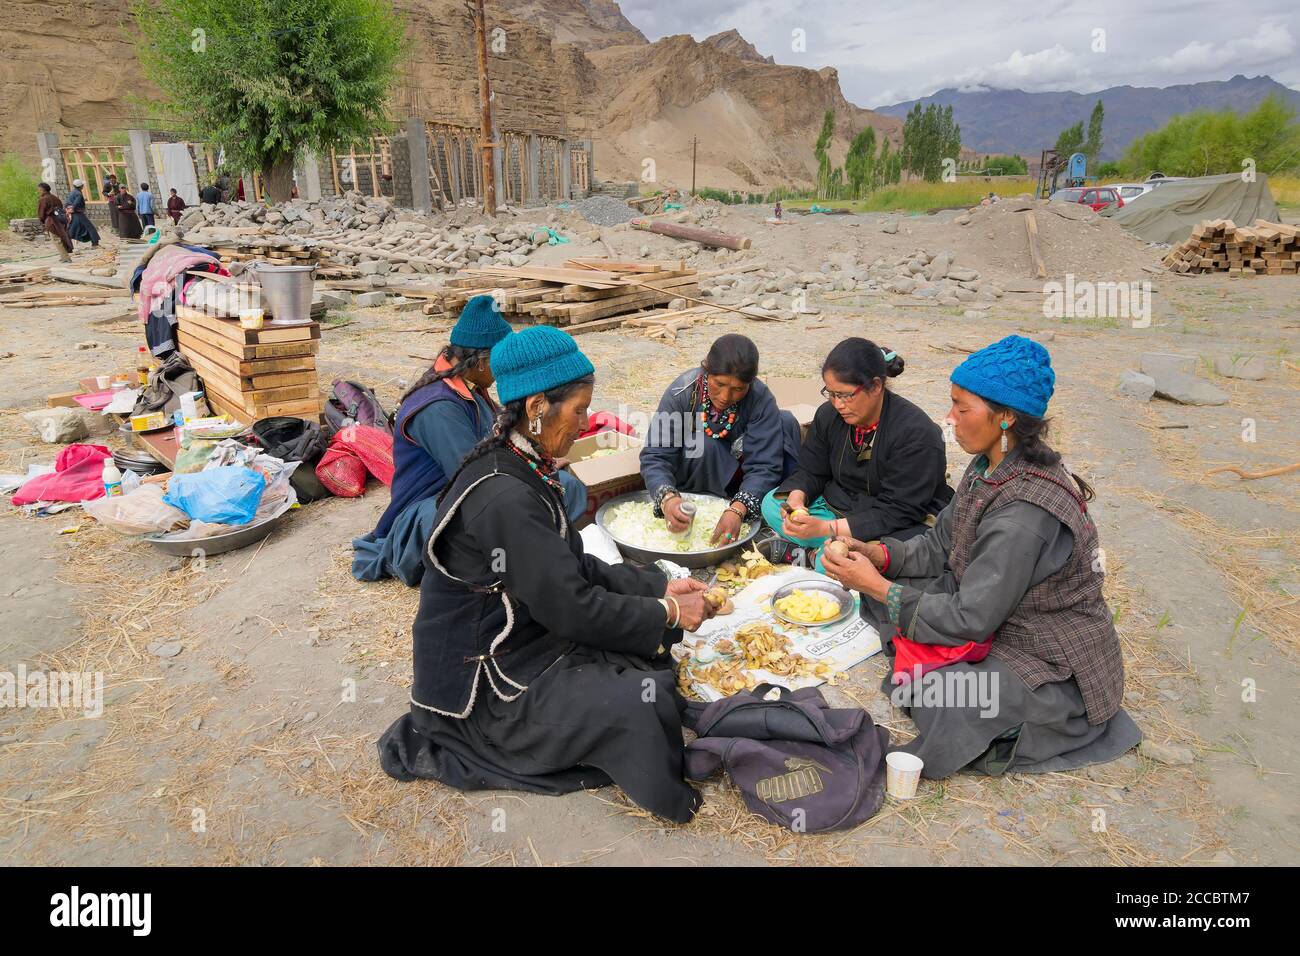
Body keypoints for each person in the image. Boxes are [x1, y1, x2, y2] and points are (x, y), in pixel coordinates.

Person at [378, 326, 714, 823]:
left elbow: (573, 567)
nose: (583, 423)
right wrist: (665, 611)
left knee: (645, 663)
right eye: (579, 410)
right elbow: (572, 606)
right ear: (537, 407)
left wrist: (658, 587)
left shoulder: (522, 463)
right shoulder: (504, 494)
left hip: (522, 636)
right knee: (636, 704)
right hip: (484, 682)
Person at [821, 335, 1141, 779]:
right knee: (889, 600)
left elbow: (971, 618)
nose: (949, 418)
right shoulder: (989, 464)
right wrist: (875, 555)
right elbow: (938, 547)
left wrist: (874, 583)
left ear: (1006, 417)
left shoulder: (1024, 514)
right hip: (995, 614)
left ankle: (1042, 722)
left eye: (961, 408)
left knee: (940, 699)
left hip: (1045, 654)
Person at [353, 296, 588, 584]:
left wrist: (542, 461)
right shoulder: (438, 407)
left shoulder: (473, 386)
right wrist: (529, 478)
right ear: (479, 362)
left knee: (567, 487)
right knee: (507, 506)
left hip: (477, 484)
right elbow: (472, 477)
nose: (503, 372)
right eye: (498, 363)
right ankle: (518, 556)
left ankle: (530, 546)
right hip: (434, 506)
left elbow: (501, 443)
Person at [765, 338, 952, 568]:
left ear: (875, 386)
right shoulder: (829, 415)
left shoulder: (916, 434)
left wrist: (828, 529)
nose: (837, 404)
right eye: (831, 393)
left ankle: (812, 555)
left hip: (896, 522)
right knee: (771, 503)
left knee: (850, 560)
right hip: (840, 506)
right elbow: (812, 470)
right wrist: (797, 499)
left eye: (845, 395)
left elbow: (897, 512)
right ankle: (819, 551)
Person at [640, 334, 801, 547]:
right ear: (706, 371)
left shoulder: (760, 398)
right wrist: (668, 499)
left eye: (738, 389)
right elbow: (655, 456)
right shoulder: (682, 392)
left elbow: (764, 465)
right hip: (699, 476)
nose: (725, 396)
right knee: (702, 444)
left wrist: (738, 508)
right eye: (719, 384)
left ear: (750, 384)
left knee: (785, 422)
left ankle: (765, 510)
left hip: (742, 478)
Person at [36, 182, 72, 263]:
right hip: (60, 220)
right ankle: (63, 256)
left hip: (51, 221)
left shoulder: (43, 199)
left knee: (56, 239)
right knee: (61, 238)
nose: (38, 191)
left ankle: (66, 257)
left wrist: (43, 222)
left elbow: (41, 213)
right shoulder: (55, 198)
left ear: (42, 189)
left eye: (39, 189)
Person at [64, 179, 100, 248]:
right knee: (90, 227)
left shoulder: (72, 192)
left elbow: (68, 203)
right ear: (81, 186)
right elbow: (76, 203)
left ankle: (67, 244)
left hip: (73, 214)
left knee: (73, 228)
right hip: (78, 214)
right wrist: (73, 208)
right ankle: (95, 243)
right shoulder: (78, 194)